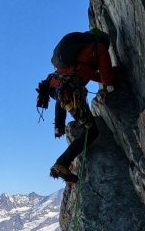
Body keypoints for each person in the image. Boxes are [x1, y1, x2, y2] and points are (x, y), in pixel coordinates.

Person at [36, 29, 115, 184]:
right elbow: (108, 79)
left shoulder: (79, 50)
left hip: (54, 86)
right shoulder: (99, 48)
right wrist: (116, 73)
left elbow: (89, 73)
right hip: (69, 90)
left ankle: (58, 127)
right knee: (92, 131)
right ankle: (62, 163)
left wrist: (59, 124)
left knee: (63, 99)